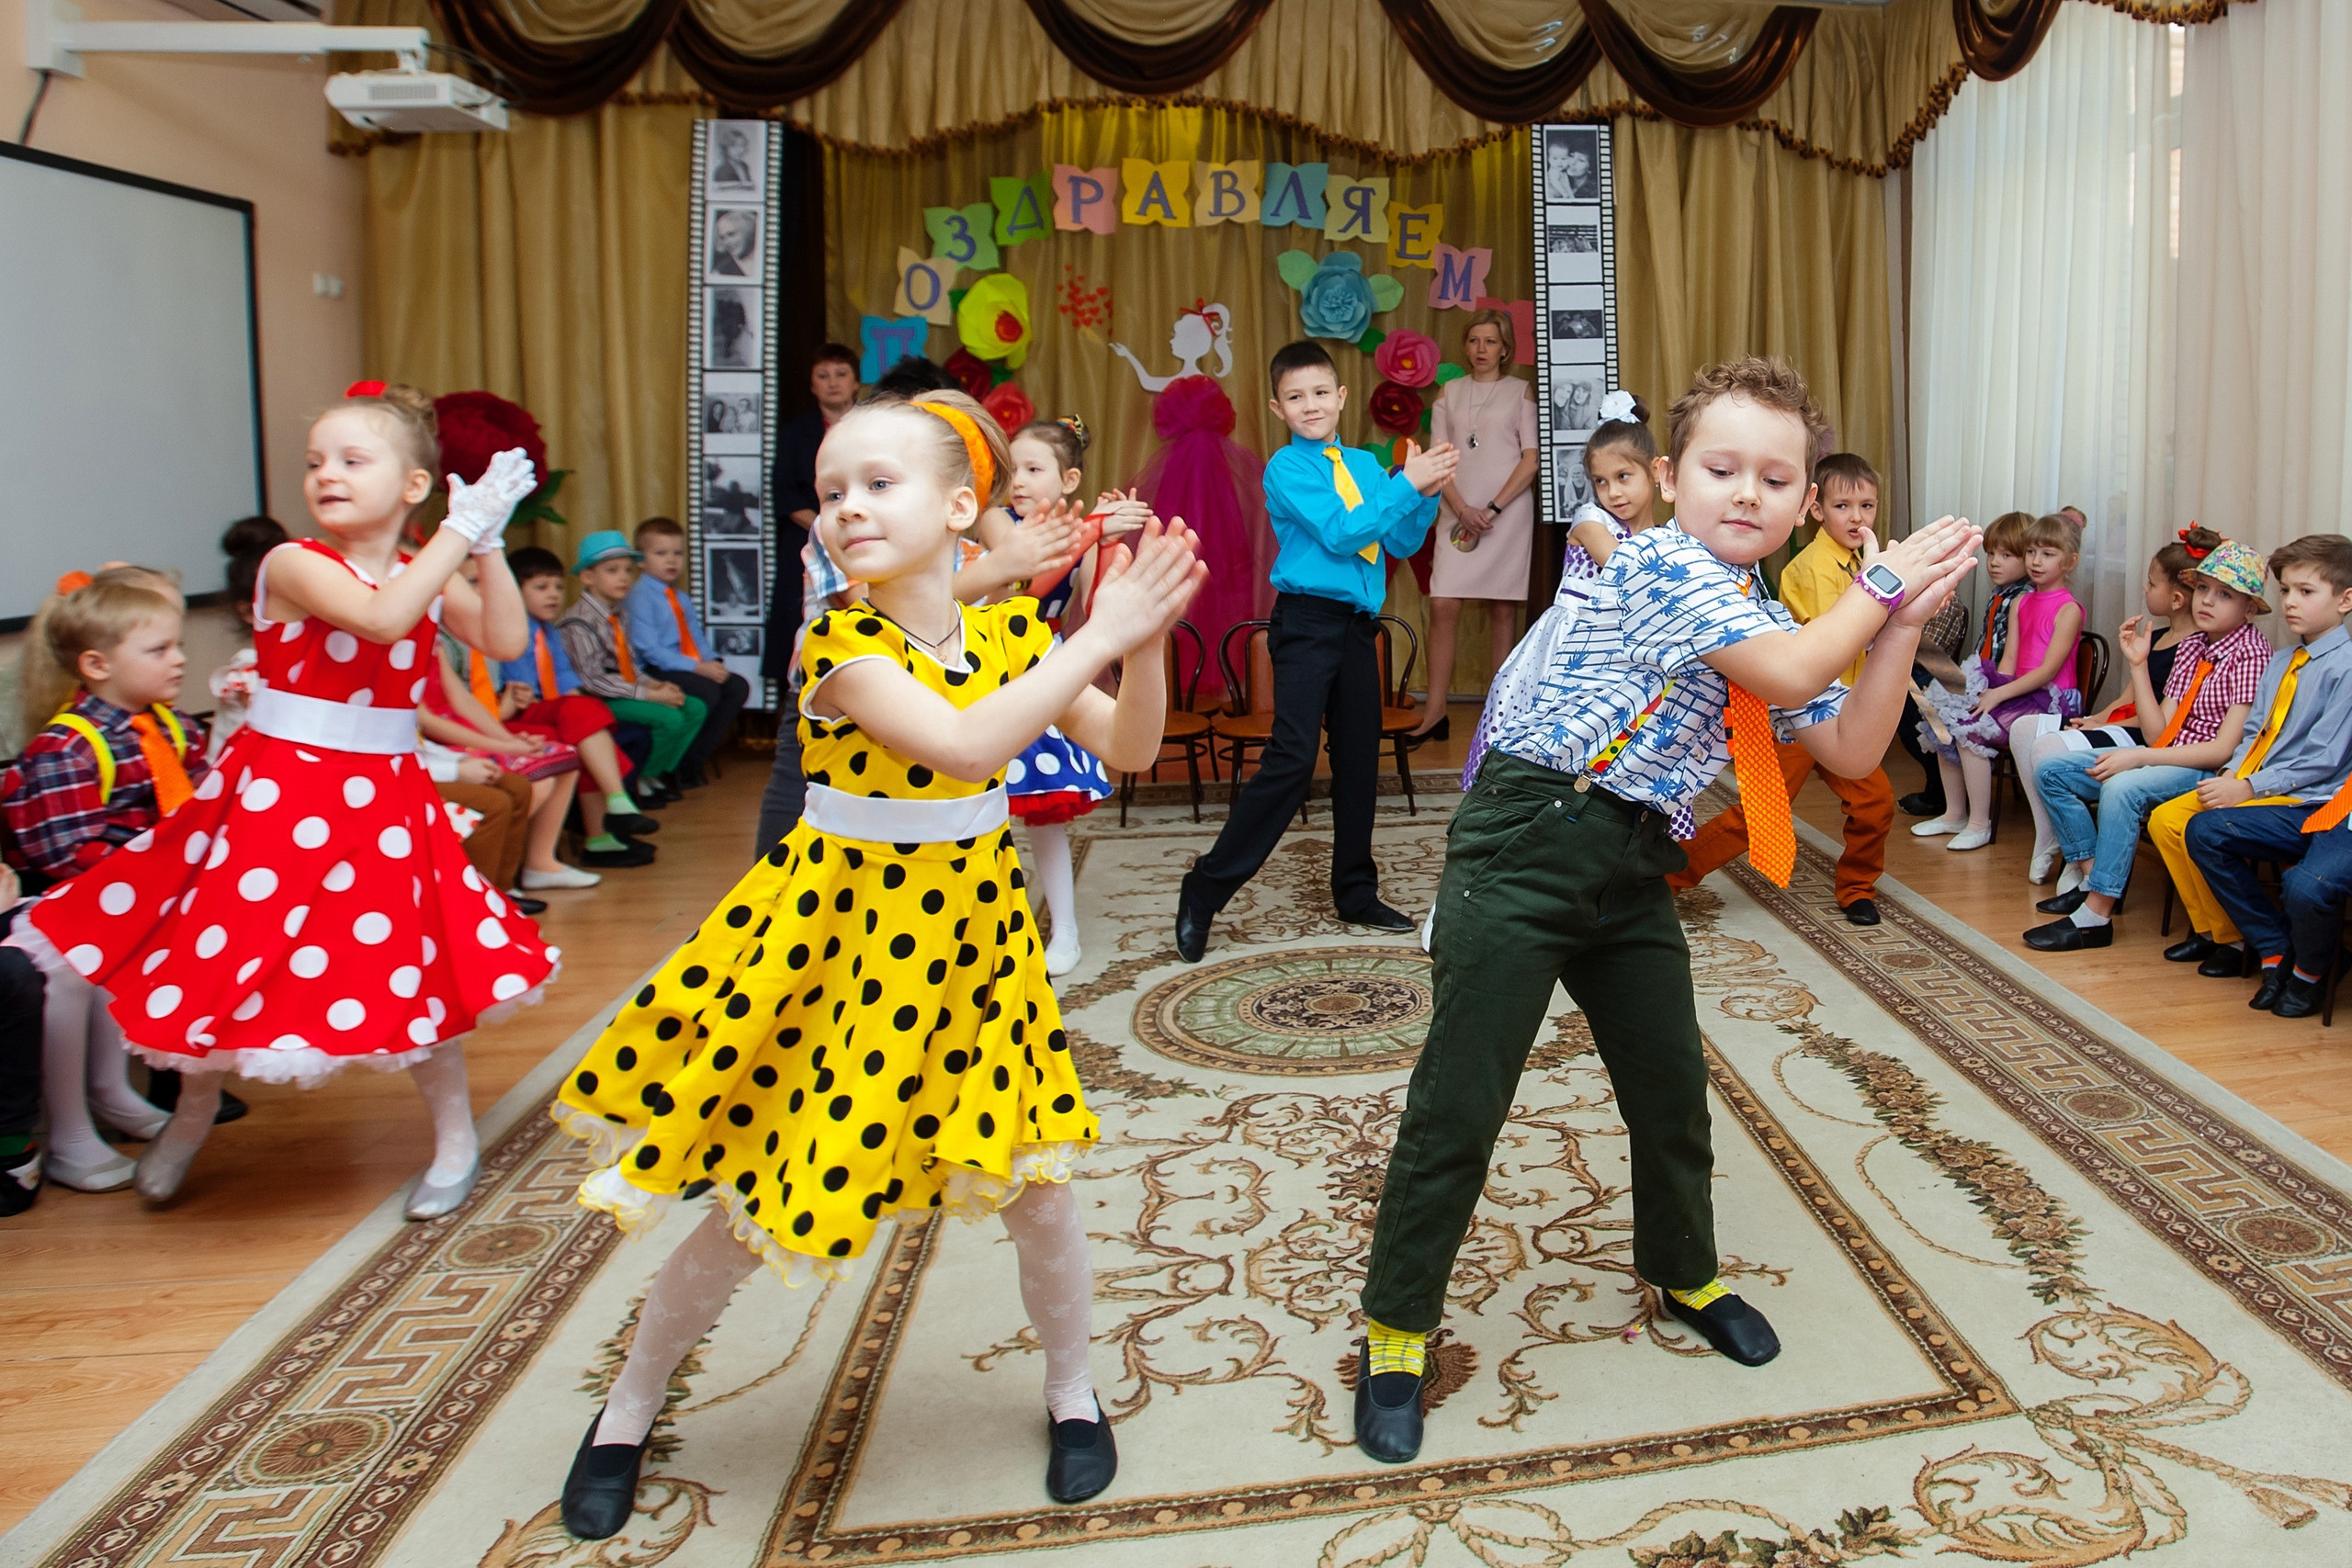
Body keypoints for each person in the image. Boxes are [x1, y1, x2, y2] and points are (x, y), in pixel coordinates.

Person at [547, 389, 1204, 1536]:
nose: (846, 507)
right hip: (840, 955)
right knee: (756, 1205)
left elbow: (1133, 746)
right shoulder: (838, 640)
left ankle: (1071, 1392)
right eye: (832, 492)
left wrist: (1135, 639)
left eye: (877, 484)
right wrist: (1100, 632)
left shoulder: (1007, 632)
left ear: (962, 508)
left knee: (1040, 1199)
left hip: (973, 957)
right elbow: (963, 744)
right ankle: (626, 1408)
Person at [1350, 357, 1978, 1466]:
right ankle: (1398, 1327)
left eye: (1776, 480)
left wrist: (1892, 629)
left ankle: (1683, 1272)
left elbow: (1847, 745)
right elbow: (1786, 678)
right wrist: (1876, 595)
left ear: (1799, 503)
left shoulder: (1756, 608)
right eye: (1723, 468)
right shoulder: (1655, 564)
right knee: (1462, 1099)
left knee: (1670, 1090)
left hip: (1633, 857)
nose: (1748, 493)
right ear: (1671, 477)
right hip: (1526, 843)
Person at [7, 381, 556, 1214]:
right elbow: (380, 621)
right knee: (232, 952)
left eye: (351, 460)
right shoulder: (295, 562)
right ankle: (190, 1117)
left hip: (384, 794)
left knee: (412, 959)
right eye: (315, 462)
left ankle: (454, 1136)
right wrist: (457, 529)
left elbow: (505, 638)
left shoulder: (422, 564)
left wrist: (487, 546)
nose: (325, 473)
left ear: (412, 484)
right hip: (284, 789)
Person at [1173, 341, 1455, 961]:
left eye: (1321, 393)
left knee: (1359, 758)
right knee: (1293, 759)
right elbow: (1342, 530)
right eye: (1296, 397)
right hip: (1303, 623)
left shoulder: (1362, 464)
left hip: (1358, 628)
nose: (1311, 406)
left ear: (1342, 397)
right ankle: (1205, 887)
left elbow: (1400, 539)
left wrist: (1426, 490)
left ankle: (1355, 892)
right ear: (1278, 407)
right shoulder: (1286, 469)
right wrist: (1406, 480)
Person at [1, 576, 207, 1191]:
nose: (180, 658)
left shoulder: (172, 728)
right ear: (96, 664)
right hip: (77, 898)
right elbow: (65, 853)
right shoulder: (66, 747)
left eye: (176, 645)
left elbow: (198, 805)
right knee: (72, 962)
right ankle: (68, 1129)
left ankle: (114, 1090)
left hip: (141, 894)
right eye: (160, 649)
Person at [1668, 452, 1897, 925]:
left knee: (1874, 804)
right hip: (1798, 715)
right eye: (1843, 506)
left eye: (1867, 507)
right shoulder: (1808, 568)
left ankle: (1857, 886)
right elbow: (1827, 642)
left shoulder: (1863, 562)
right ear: (1815, 509)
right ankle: (1666, 879)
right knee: (1759, 815)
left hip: (1844, 717)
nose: (1856, 518)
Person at [2021, 537, 2269, 952]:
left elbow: (2222, 749)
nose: (2207, 600)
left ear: (2248, 610)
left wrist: (2137, 757)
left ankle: (2096, 914)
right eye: (2204, 589)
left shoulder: (2251, 654)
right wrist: (2138, 665)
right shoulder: (2192, 647)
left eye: (2224, 594)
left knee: (2122, 786)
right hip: (2168, 754)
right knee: (2052, 771)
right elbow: (2160, 732)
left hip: (2203, 767)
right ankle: (2095, 874)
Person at [2148, 534, 2352, 978]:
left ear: (2345, 600)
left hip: (2306, 795)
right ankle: (2224, 935)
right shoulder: (2282, 661)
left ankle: (2263, 943)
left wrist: (2247, 786)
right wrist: (2230, 773)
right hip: (2255, 781)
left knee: (2200, 827)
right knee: (2166, 821)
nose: (2291, 603)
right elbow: (2255, 733)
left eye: (2306, 592)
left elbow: (2325, 761)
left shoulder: (2346, 668)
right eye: (2286, 591)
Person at [1458, 389, 1657, 788]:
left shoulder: (1661, 538)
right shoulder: (1589, 520)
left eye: (1623, 477)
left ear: (1656, 471)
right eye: (1601, 481)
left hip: (1618, 651)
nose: (1612, 492)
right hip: (1568, 648)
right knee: (1546, 742)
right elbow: (1624, 568)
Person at [990, 417, 1120, 977]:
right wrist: (1092, 529)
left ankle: (1063, 929)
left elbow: (1096, 609)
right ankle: (986, 928)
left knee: (1044, 812)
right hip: (983, 663)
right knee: (977, 807)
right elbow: (1019, 582)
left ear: (1068, 479)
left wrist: (1110, 543)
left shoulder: (1082, 532)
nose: (1017, 480)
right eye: (1011, 468)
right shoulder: (995, 522)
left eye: (1032, 469)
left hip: (1043, 665)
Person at [2009, 528, 2214, 880]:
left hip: (2139, 737)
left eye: (2151, 584)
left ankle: (2075, 855)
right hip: (2122, 724)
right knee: (2023, 727)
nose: (2145, 590)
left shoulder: (2195, 648)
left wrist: (2108, 725)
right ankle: (2052, 835)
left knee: (2048, 749)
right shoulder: (2160, 637)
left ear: (2177, 599)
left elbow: (2159, 721)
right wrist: (2095, 719)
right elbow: (2126, 699)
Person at [1914, 511, 2082, 851]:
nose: (2036, 561)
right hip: (2016, 689)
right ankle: (1955, 812)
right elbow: (2007, 661)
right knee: (1943, 718)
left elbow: (2047, 672)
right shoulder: (2019, 601)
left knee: (1969, 729)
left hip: (2050, 699)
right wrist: (1990, 692)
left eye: (2046, 554)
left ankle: (1980, 824)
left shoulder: (2070, 609)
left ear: (2070, 562)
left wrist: (1997, 696)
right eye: (2032, 552)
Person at [1412, 309, 1540, 741]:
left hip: (1506, 515)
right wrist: (1463, 508)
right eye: (1474, 341)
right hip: (1457, 511)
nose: (1481, 349)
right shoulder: (1449, 392)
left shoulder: (1521, 392)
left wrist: (1493, 508)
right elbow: (1439, 458)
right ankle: (1433, 712)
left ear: (1505, 349)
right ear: (1465, 346)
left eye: (1490, 342)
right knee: (1443, 605)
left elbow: (1531, 457)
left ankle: (1498, 720)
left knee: (1503, 609)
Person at [497, 547, 662, 868]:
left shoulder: (550, 633)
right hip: (516, 712)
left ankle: (600, 838)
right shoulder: (511, 628)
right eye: (541, 588)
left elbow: (566, 684)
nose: (553, 596)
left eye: (558, 587)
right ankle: (618, 802)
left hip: (547, 708)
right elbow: (523, 695)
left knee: (584, 728)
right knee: (582, 717)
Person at [2187, 771, 2352, 1020]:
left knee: (2304, 888)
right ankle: (2274, 943)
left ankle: (2310, 973)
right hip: (2332, 803)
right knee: (2206, 829)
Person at [558, 532, 708, 806]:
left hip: (623, 690)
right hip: (597, 700)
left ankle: (652, 773)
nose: (624, 577)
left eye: (628, 570)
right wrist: (648, 695)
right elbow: (592, 681)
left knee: (694, 707)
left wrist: (655, 685)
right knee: (670, 719)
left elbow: (628, 665)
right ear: (588, 577)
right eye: (612, 571)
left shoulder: (620, 615)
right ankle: (636, 780)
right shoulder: (577, 623)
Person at [626, 516, 750, 788]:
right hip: (656, 669)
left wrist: (712, 662)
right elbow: (649, 649)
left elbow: (695, 638)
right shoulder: (640, 596)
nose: (671, 561)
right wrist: (698, 668)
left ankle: (692, 758)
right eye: (661, 554)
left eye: (677, 553)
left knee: (736, 686)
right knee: (707, 691)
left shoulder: (680, 598)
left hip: (687, 665)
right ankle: (679, 764)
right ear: (641, 561)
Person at [767, 344, 862, 688]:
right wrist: (825, 527)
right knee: (798, 614)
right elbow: (785, 494)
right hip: (807, 532)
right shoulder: (796, 432)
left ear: (856, 382)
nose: (832, 383)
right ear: (812, 386)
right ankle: (795, 693)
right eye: (823, 376)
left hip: (867, 531)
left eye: (841, 374)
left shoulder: (875, 426)